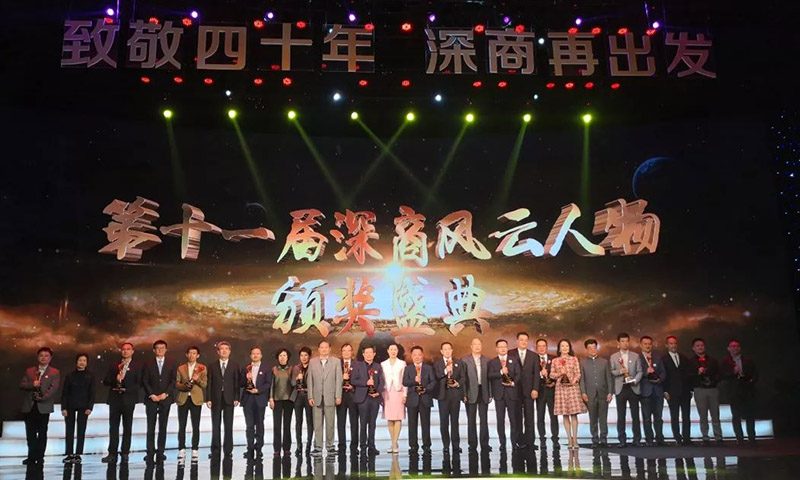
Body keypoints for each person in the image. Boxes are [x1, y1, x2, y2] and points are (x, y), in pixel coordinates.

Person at [20, 347, 60, 465]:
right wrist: (32, 384)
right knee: (30, 433)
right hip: (30, 406)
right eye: (41, 355)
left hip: (44, 407)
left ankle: (40, 456)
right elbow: (22, 385)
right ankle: (31, 456)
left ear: (50, 358)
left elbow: (53, 389)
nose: (43, 358)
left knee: (42, 433)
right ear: (38, 357)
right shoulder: (29, 371)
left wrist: (42, 398)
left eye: (46, 356)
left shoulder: (54, 372)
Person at [102, 342, 141, 464]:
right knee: (113, 427)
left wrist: (127, 389)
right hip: (115, 400)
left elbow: (139, 383)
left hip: (129, 399)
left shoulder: (137, 366)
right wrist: (116, 379)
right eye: (123, 349)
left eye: (128, 349)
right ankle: (112, 453)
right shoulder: (114, 365)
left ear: (132, 351)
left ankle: (125, 453)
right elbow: (106, 381)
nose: (125, 351)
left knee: (127, 427)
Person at [142, 339, 177, 464]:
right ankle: (150, 452)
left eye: (162, 348)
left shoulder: (172, 362)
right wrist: (151, 394)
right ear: (154, 350)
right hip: (151, 399)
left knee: (163, 426)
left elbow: (173, 381)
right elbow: (144, 380)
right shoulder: (147, 363)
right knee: (150, 427)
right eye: (158, 348)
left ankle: (161, 452)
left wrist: (165, 394)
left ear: (166, 349)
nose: (160, 350)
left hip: (165, 399)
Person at [307, 339, 343, 457]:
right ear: (318, 349)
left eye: (326, 347)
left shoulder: (336, 362)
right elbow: (310, 380)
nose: (324, 349)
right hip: (316, 397)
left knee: (330, 424)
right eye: (322, 347)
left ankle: (330, 447)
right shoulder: (312, 362)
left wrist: (338, 395)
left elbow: (339, 380)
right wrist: (310, 396)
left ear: (329, 349)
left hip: (330, 397)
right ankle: (317, 447)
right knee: (317, 425)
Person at [206, 340, 240, 459]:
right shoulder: (212, 365)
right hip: (215, 399)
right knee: (215, 425)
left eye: (226, 349)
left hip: (229, 399)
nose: (224, 351)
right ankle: (215, 450)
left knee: (228, 426)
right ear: (218, 352)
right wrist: (208, 398)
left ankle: (228, 450)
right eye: (222, 349)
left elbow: (237, 383)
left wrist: (236, 397)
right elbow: (209, 383)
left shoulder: (235, 365)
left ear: (230, 351)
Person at [720, 339, 758, 444]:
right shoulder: (725, 362)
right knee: (736, 415)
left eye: (737, 346)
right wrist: (733, 372)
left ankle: (752, 438)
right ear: (728, 349)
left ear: (740, 348)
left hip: (747, 390)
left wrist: (751, 381)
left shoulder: (748, 360)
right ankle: (739, 438)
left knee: (750, 415)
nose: (735, 348)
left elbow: (755, 373)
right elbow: (722, 375)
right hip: (734, 391)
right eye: (732, 346)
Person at [550, 339, 585, 450]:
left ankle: (575, 439)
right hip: (561, 389)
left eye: (566, 346)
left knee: (573, 414)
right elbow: (551, 375)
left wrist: (573, 381)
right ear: (559, 348)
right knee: (565, 415)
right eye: (562, 346)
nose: (565, 348)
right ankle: (569, 439)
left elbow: (578, 373)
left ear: (569, 348)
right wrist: (560, 373)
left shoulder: (574, 359)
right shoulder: (555, 360)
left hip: (572, 388)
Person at [487, 339, 520, 453]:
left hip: (512, 393)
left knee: (513, 419)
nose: (503, 349)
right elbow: (489, 375)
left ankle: (514, 443)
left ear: (507, 348)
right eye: (500, 347)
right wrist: (501, 372)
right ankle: (502, 443)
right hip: (499, 395)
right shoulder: (492, 362)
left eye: (505, 346)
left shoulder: (513, 360)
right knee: (500, 420)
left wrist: (513, 383)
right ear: (496, 349)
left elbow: (518, 374)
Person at [402, 345, 437, 455]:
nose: (417, 357)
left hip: (425, 399)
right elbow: (405, 382)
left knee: (426, 424)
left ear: (422, 356)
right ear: (412, 356)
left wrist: (425, 389)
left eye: (419, 354)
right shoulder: (408, 368)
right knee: (412, 424)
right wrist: (414, 380)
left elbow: (433, 382)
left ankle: (426, 445)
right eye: (415, 355)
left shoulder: (428, 368)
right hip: (412, 400)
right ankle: (413, 446)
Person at [579, 339, 613, 448]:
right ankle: (594, 440)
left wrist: (610, 392)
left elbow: (609, 378)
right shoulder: (582, 362)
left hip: (603, 393)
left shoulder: (604, 362)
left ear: (596, 348)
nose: (592, 350)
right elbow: (582, 380)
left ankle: (604, 439)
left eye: (594, 347)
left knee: (603, 418)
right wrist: (583, 392)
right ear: (586, 349)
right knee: (592, 418)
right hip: (589, 394)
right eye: (590, 348)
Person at [61, 353, 94, 464]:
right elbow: (65, 393)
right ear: (76, 362)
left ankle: (78, 454)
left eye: (84, 360)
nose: (82, 362)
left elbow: (92, 393)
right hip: (70, 406)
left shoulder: (90, 376)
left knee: (81, 430)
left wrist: (90, 407)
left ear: (87, 363)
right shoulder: (70, 375)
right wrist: (64, 407)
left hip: (84, 407)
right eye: (80, 360)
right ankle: (69, 454)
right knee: (69, 430)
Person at [610, 332, 642, 447]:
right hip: (620, 388)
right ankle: (622, 440)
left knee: (635, 415)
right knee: (621, 415)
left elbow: (640, 371)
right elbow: (611, 371)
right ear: (618, 343)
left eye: (627, 341)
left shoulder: (635, 356)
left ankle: (637, 439)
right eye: (622, 341)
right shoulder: (613, 357)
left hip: (633, 387)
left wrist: (635, 380)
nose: (625, 343)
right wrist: (620, 371)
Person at [176, 345, 207, 462]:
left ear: (197, 355)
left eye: (194, 353)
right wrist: (184, 386)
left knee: (196, 425)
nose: (191, 355)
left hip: (196, 399)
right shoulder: (181, 368)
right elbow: (177, 383)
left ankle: (195, 449)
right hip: (183, 398)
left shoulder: (202, 368)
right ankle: (181, 448)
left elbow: (204, 384)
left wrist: (197, 379)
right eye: (189, 353)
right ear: (186, 354)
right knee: (182, 425)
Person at [688, 337, 722, 444]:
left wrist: (713, 381)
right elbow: (688, 376)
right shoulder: (690, 362)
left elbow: (719, 374)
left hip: (712, 389)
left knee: (715, 414)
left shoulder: (713, 360)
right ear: (693, 348)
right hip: (699, 389)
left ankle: (718, 437)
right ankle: (705, 437)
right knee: (703, 415)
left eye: (702, 345)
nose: (700, 347)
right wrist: (697, 373)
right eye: (697, 346)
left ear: (705, 347)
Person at [434, 341, 466, 456]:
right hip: (443, 396)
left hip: (455, 395)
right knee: (444, 422)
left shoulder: (459, 362)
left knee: (455, 421)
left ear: (452, 350)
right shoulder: (437, 363)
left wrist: (458, 383)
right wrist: (445, 371)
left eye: (449, 349)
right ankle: (446, 446)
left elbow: (463, 377)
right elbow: (437, 376)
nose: (447, 351)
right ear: (441, 351)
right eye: (445, 349)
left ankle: (456, 445)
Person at [352, 345, 384, 456]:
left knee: (372, 423)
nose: (369, 355)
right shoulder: (357, 365)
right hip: (363, 398)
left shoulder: (378, 366)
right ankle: (363, 446)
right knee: (363, 423)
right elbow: (353, 380)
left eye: (371, 353)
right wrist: (365, 383)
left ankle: (372, 446)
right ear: (363, 354)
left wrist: (378, 392)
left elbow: (381, 382)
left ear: (374, 354)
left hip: (374, 398)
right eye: (367, 353)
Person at [241, 346, 271, 461]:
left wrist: (258, 390)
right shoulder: (246, 368)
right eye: (253, 353)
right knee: (249, 426)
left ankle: (259, 448)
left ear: (261, 355)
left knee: (259, 425)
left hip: (260, 399)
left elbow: (268, 383)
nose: (255, 355)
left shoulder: (266, 368)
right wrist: (246, 378)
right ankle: (249, 448)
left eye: (258, 353)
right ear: (250, 356)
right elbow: (241, 383)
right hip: (248, 399)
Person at [509, 332, 537, 449]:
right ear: (517, 341)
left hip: (529, 391)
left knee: (529, 417)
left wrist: (535, 389)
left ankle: (530, 442)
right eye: (521, 340)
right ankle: (519, 441)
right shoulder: (510, 353)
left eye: (526, 340)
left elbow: (536, 374)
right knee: (517, 417)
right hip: (514, 390)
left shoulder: (533, 356)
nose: (524, 342)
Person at [462, 337, 491, 453]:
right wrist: (464, 394)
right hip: (470, 392)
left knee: (484, 419)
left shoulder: (487, 360)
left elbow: (489, 379)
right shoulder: (465, 360)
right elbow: (463, 379)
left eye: (479, 344)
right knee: (471, 420)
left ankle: (485, 444)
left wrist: (490, 393)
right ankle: (472, 444)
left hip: (483, 391)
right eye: (475, 344)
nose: (477, 346)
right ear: (471, 346)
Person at [663, 335, 692, 445]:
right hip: (672, 392)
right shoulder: (663, 359)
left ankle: (687, 438)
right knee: (674, 416)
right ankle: (677, 438)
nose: (673, 345)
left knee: (686, 416)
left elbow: (688, 375)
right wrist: (665, 391)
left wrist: (690, 390)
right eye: (671, 343)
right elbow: (664, 376)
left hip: (685, 391)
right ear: (667, 345)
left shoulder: (684, 358)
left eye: (675, 343)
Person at [639, 336, 667, 446]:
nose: (647, 346)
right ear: (641, 345)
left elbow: (663, 372)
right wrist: (646, 372)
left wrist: (659, 379)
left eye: (649, 344)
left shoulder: (657, 357)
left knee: (658, 417)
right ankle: (649, 439)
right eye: (645, 344)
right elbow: (636, 373)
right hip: (645, 391)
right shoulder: (638, 358)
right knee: (646, 418)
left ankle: (660, 438)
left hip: (658, 390)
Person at [381, 343, 407, 454]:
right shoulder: (383, 364)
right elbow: (381, 379)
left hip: (398, 391)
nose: (393, 351)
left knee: (398, 418)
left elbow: (405, 380)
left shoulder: (402, 363)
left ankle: (395, 443)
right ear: (388, 351)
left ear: (397, 351)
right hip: (387, 392)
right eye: (391, 349)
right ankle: (393, 442)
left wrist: (405, 394)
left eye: (395, 349)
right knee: (390, 418)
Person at [534, 338, 559, 448]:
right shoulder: (533, 359)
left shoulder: (554, 359)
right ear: (536, 348)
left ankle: (555, 438)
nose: (541, 348)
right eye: (539, 346)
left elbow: (559, 373)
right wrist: (540, 374)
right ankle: (542, 439)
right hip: (540, 391)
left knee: (554, 416)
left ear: (547, 347)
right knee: (540, 416)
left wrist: (554, 382)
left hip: (552, 391)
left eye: (543, 346)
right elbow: (531, 374)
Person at [269, 348, 294, 457]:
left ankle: (287, 448)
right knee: (277, 425)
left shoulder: (292, 369)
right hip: (277, 400)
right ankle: (277, 449)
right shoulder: (274, 369)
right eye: (280, 355)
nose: (282, 357)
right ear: (277, 358)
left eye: (284, 355)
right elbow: (271, 385)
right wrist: (271, 398)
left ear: (288, 357)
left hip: (289, 400)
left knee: (287, 425)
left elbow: (294, 384)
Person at [291, 346, 314, 456]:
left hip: (309, 395)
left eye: (306, 355)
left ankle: (308, 446)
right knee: (298, 421)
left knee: (310, 421)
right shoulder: (296, 368)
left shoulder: (313, 367)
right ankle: (299, 446)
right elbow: (292, 383)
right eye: (301, 355)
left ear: (309, 356)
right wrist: (296, 378)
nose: (303, 357)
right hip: (298, 396)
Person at [337, 343, 359, 454]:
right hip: (340, 396)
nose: (346, 353)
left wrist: (353, 386)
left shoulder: (357, 364)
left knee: (354, 422)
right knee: (341, 422)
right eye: (344, 350)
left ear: (352, 352)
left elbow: (360, 379)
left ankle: (354, 446)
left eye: (348, 350)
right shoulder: (337, 364)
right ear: (341, 352)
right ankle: (341, 446)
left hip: (353, 395)